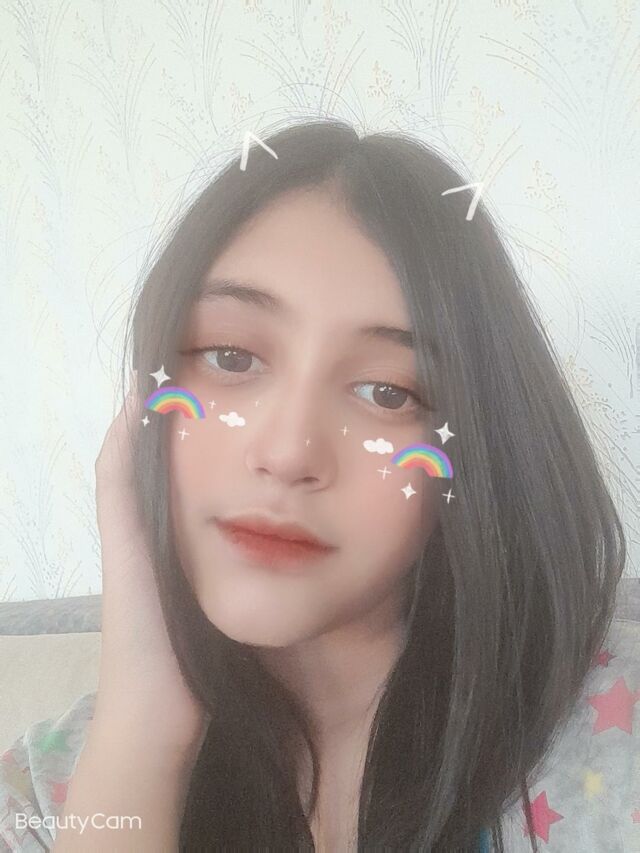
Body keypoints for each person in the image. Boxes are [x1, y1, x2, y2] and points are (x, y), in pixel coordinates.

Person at [0, 119, 633, 851]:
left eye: (388, 393)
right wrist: (141, 733)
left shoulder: (610, 747)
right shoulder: (42, 793)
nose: (287, 452)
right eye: (231, 356)